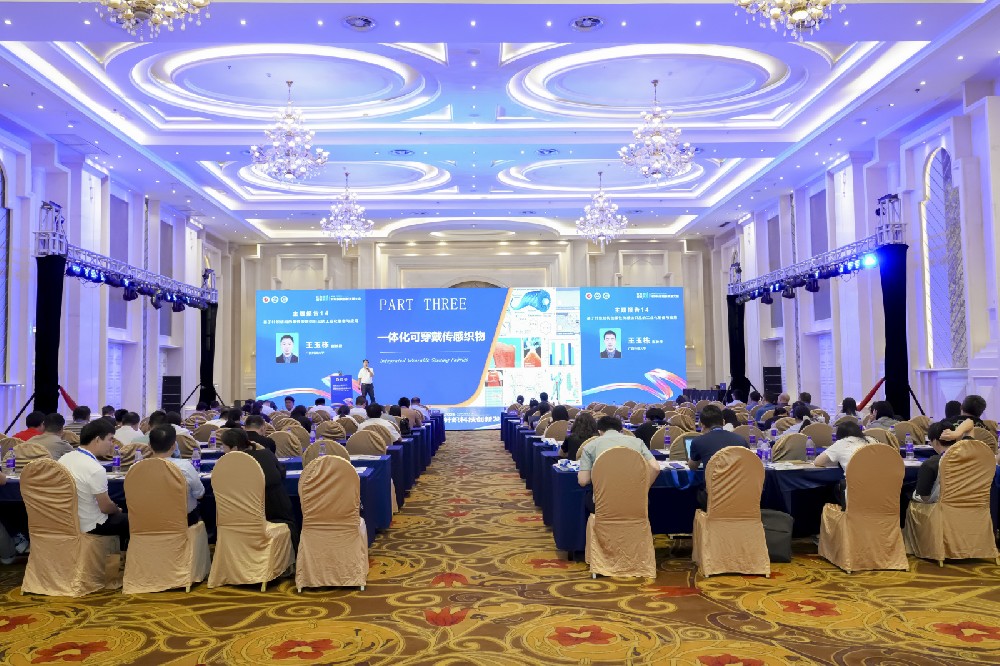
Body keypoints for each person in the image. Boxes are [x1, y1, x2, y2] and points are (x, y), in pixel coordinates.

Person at [219, 428, 298, 550]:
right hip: (279, 508)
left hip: (249, 515)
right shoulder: (266, 454)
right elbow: (282, 473)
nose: (222, 450)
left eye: (224, 447)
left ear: (234, 448)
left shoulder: (233, 464)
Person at [59, 419, 129, 549]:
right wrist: (116, 509)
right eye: (110, 439)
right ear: (97, 440)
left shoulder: (64, 458)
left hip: (67, 520)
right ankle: (123, 557)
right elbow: (105, 508)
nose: (112, 444)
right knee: (135, 521)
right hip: (91, 524)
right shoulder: (95, 468)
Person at [578, 416, 659, 490]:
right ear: (621, 430)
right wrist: (643, 489)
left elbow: (583, 481)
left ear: (599, 431)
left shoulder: (590, 446)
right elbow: (655, 468)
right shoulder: (638, 442)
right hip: (636, 497)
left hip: (603, 498)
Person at [147, 425, 204, 526]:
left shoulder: (137, 468)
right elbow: (199, 494)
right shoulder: (185, 466)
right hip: (183, 520)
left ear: (149, 446)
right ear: (174, 446)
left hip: (149, 520)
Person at [913, 419, 975, 503]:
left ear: (935, 441)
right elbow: (970, 423)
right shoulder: (969, 453)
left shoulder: (930, 464)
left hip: (941, 508)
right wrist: (956, 433)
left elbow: (925, 497)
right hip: (970, 503)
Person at [687, 405, 749, 472]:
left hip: (712, 478)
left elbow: (692, 467)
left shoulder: (698, 441)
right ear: (723, 422)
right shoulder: (741, 439)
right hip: (738, 478)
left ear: (702, 425)